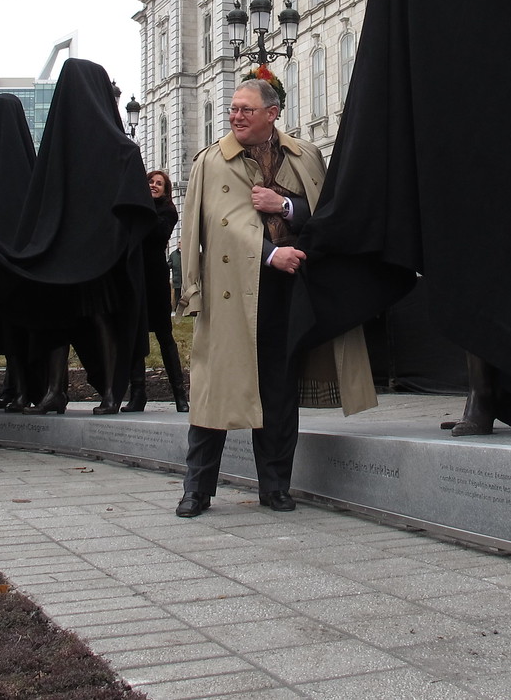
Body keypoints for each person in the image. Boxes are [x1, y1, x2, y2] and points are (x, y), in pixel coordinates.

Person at [175, 78, 375, 518]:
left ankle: (276, 486)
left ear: (272, 113)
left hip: (290, 292)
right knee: (217, 391)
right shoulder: (211, 162)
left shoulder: (306, 156)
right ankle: (197, 490)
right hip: (233, 292)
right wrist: (268, 255)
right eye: (233, 109)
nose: (236, 116)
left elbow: (325, 217)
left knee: (279, 391)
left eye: (246, 109)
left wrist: (284, 208)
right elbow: (207, 229)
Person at [124, 170, 189, 412]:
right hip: (135, 277)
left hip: (155, 279)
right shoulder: (137, 209)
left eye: (159, 183)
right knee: (135, 335)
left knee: (165, 336)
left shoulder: (167, 211)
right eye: (150, 181)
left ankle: (180, 394)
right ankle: (137, 393)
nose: (154, 185)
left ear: (165, 190)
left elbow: (157, 232)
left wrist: (141, 208)